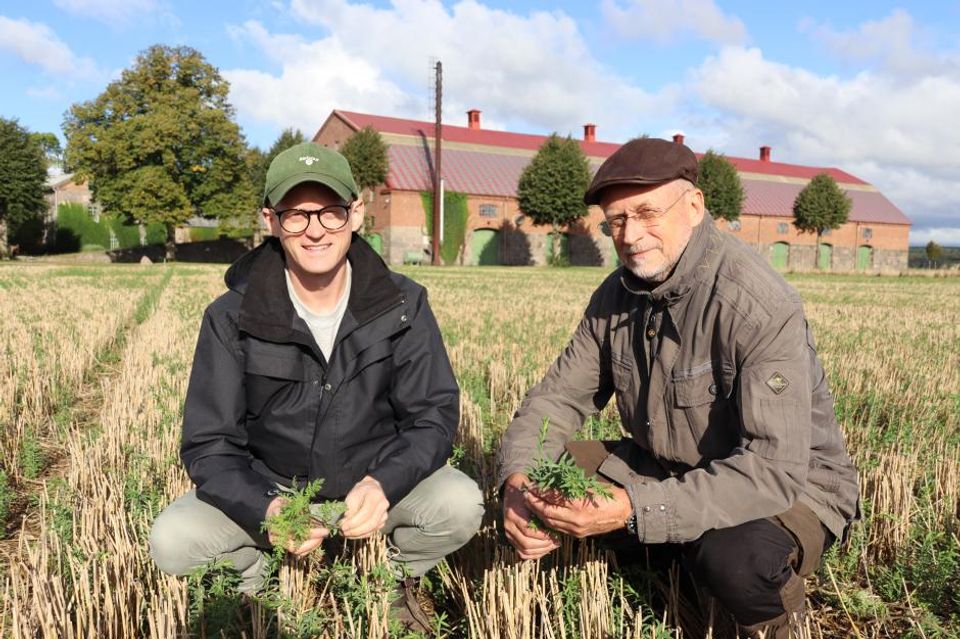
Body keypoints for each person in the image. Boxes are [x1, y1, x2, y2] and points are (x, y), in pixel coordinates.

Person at [497, 138, 859, 638]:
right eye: (616, 220)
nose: (631, 234)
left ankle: (777, 623)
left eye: (647, 212)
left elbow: (772, 470)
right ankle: (670, 557)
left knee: (735, 559)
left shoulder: (756, 303)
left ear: (694, 206)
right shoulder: (615, 295)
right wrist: (518, 482)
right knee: (549, 479)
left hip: (786, 488)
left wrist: (632, 510)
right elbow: (557, 398)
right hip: (667, 467)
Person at [150, 142, 483, 631]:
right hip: (276, 491)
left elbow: (432, 416)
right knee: (174, 539)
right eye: (296, 215)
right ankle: (265, 588)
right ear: (271, 219)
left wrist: (383, 483)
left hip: (371, 492)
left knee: (460, 503)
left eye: (329, 212)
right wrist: (268, 506)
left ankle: (388, 580)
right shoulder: (230, 317)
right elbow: (209, 444)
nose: (314, 231)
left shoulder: (404, 303)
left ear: (356, 214)